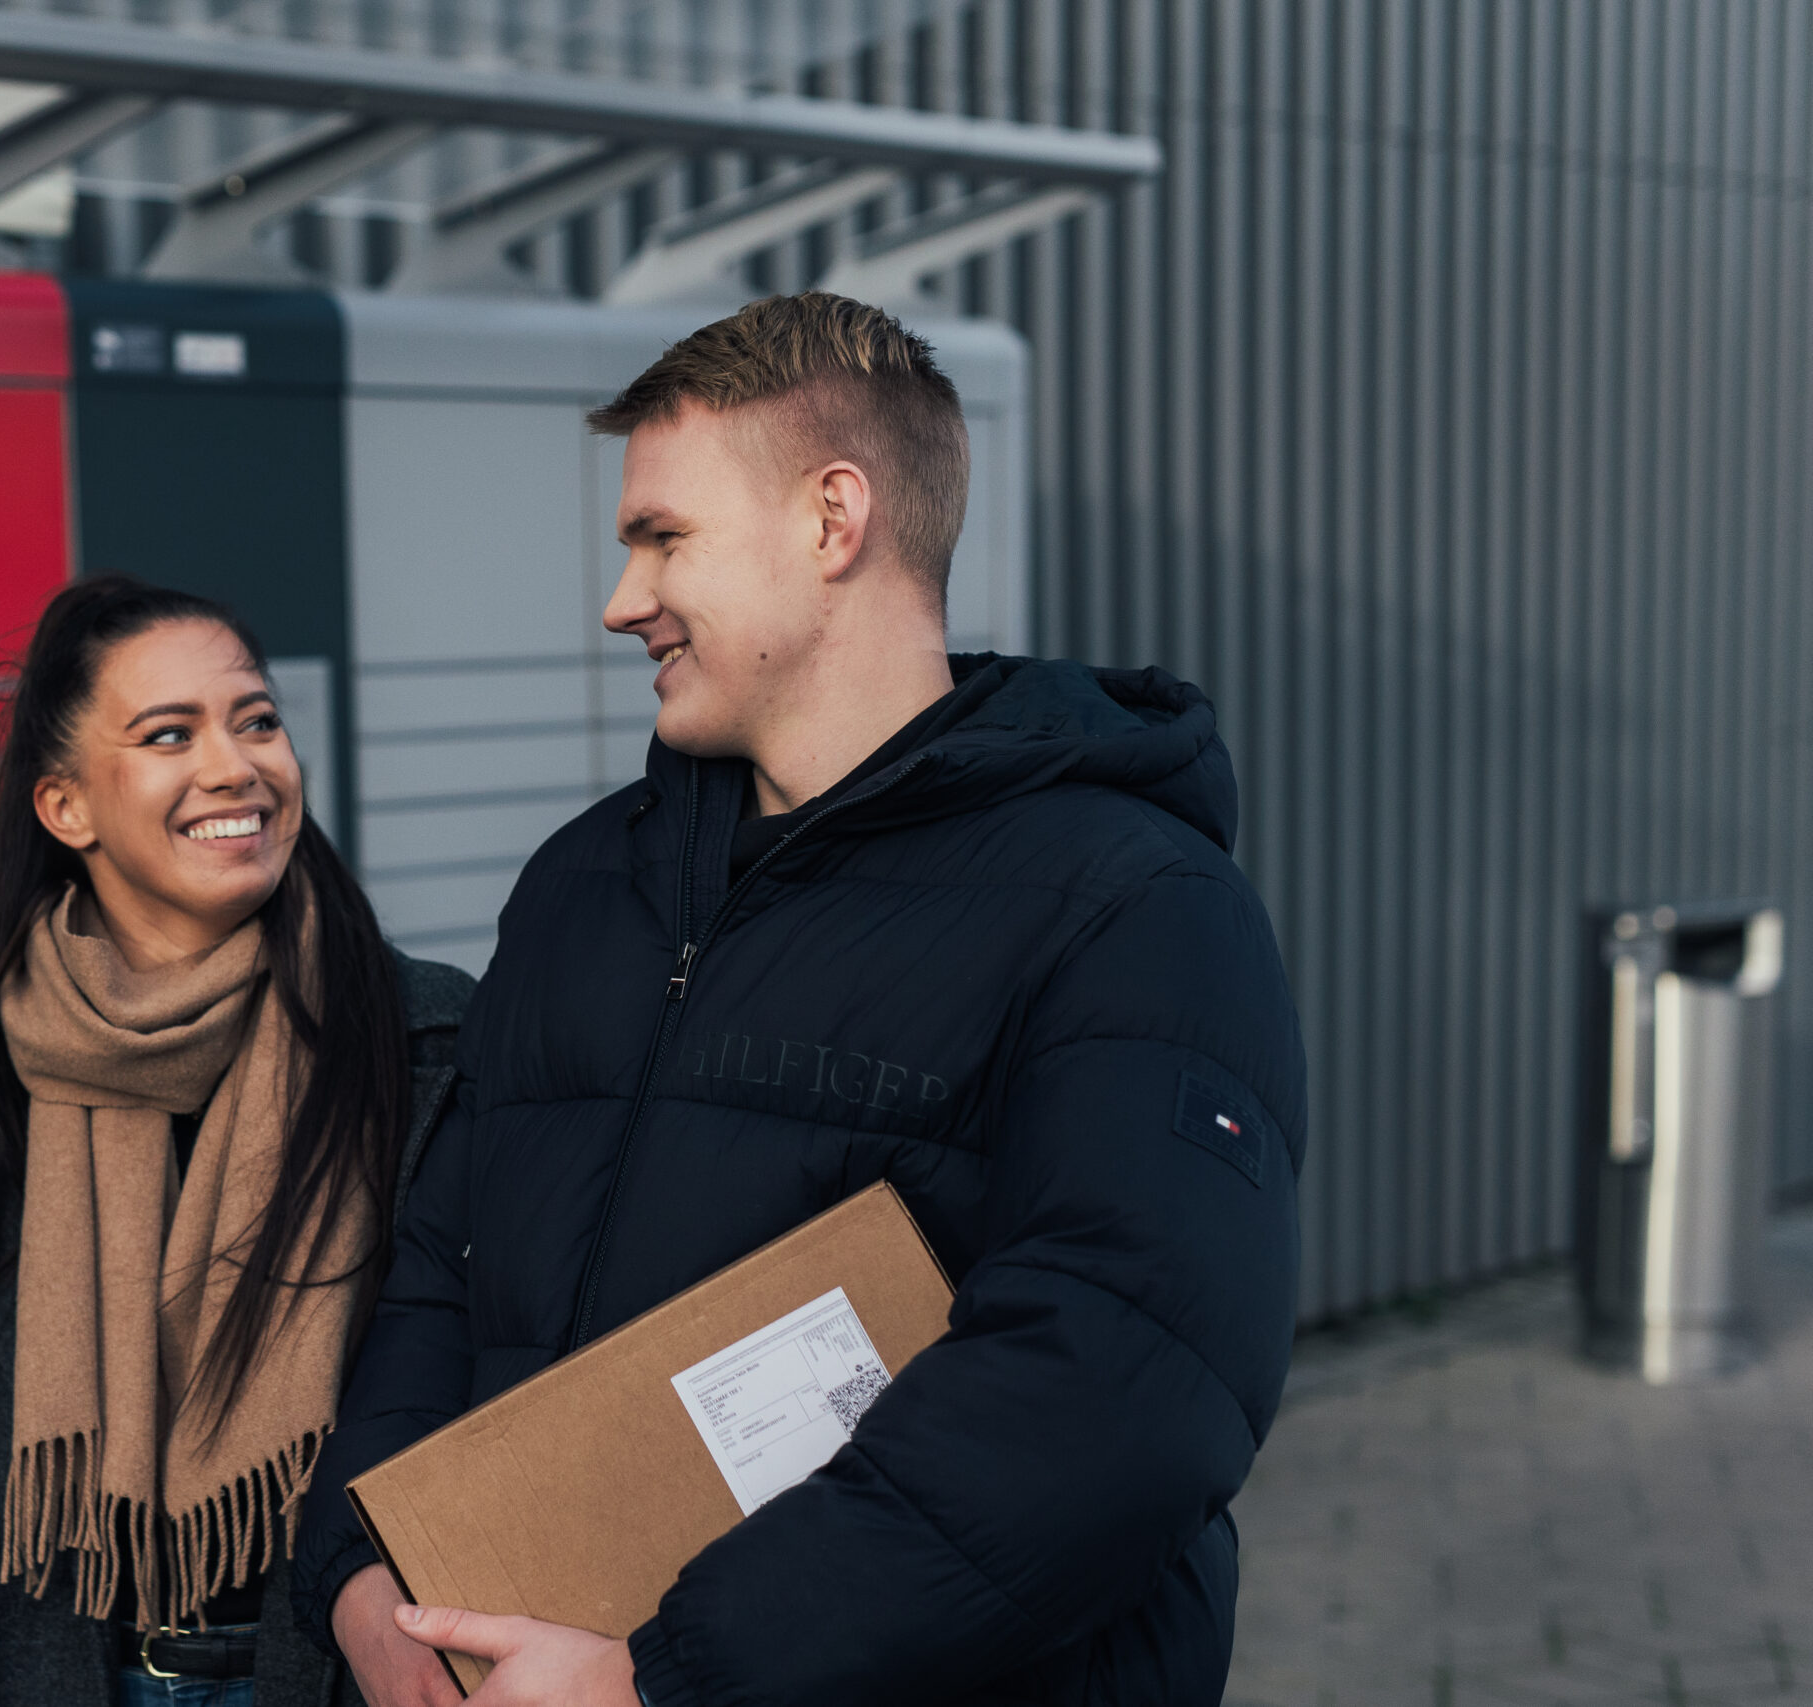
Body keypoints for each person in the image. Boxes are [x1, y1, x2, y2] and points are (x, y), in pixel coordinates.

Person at [293, 293, 1306, 1707]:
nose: (621, 596)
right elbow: (436, 1266)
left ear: (835, 519)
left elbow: (1117, 1388)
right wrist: (361, 1566)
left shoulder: (1137, 904)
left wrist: (666, 1680)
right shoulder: (586, 882)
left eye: (664, 537)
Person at [0, 577, 474, 1707]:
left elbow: (480, 1384)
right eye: (170, 736)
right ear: (66, 810)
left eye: (255, 720)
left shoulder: (428, 1045)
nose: (234, 766)